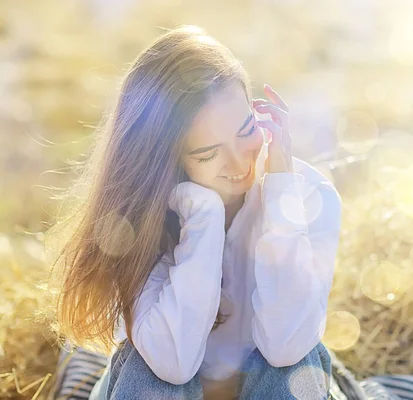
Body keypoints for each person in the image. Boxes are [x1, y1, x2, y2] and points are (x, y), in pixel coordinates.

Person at [47, 24, 343, 400]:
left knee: (300, 366)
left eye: (246, 128)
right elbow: (172, 364)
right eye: (207, 153)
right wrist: (203, 219)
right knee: (147, 369)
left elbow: (287, 347)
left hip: (265, 388)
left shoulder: (311, 196)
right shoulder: (142, 218)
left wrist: (281, 194)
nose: (240, 163)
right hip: (166, 385)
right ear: (169, 160)